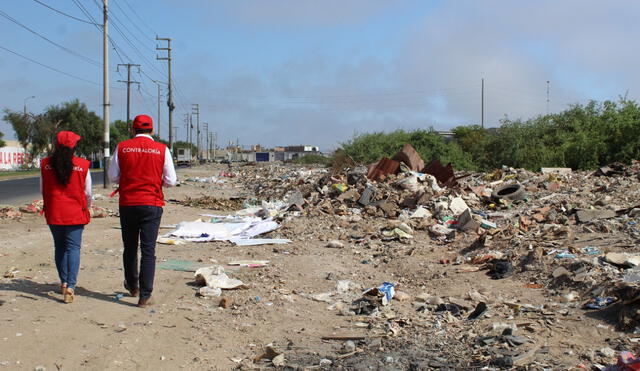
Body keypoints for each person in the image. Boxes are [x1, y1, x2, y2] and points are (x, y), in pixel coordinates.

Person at [108, 114, 176, 308]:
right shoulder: (162, 149)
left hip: (128, 203)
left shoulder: (122, 147)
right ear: (152, 130)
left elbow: (113, 176)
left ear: (133, 129)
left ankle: (132, 285)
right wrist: (155, 180)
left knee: (129, 247)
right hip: (152, 203)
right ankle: (145, 295)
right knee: (148, 249)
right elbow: (171, 180)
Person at [40, 131, 92, 304]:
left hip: (54, 211)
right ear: (73, 146)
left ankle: (63, 282)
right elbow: (88, 192)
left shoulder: (45, 164)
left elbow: (43, 189)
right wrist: (88, 206)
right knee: (73, 248)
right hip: (75, 212)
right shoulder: (82, 164)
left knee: (59, 247)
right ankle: (71, 285)